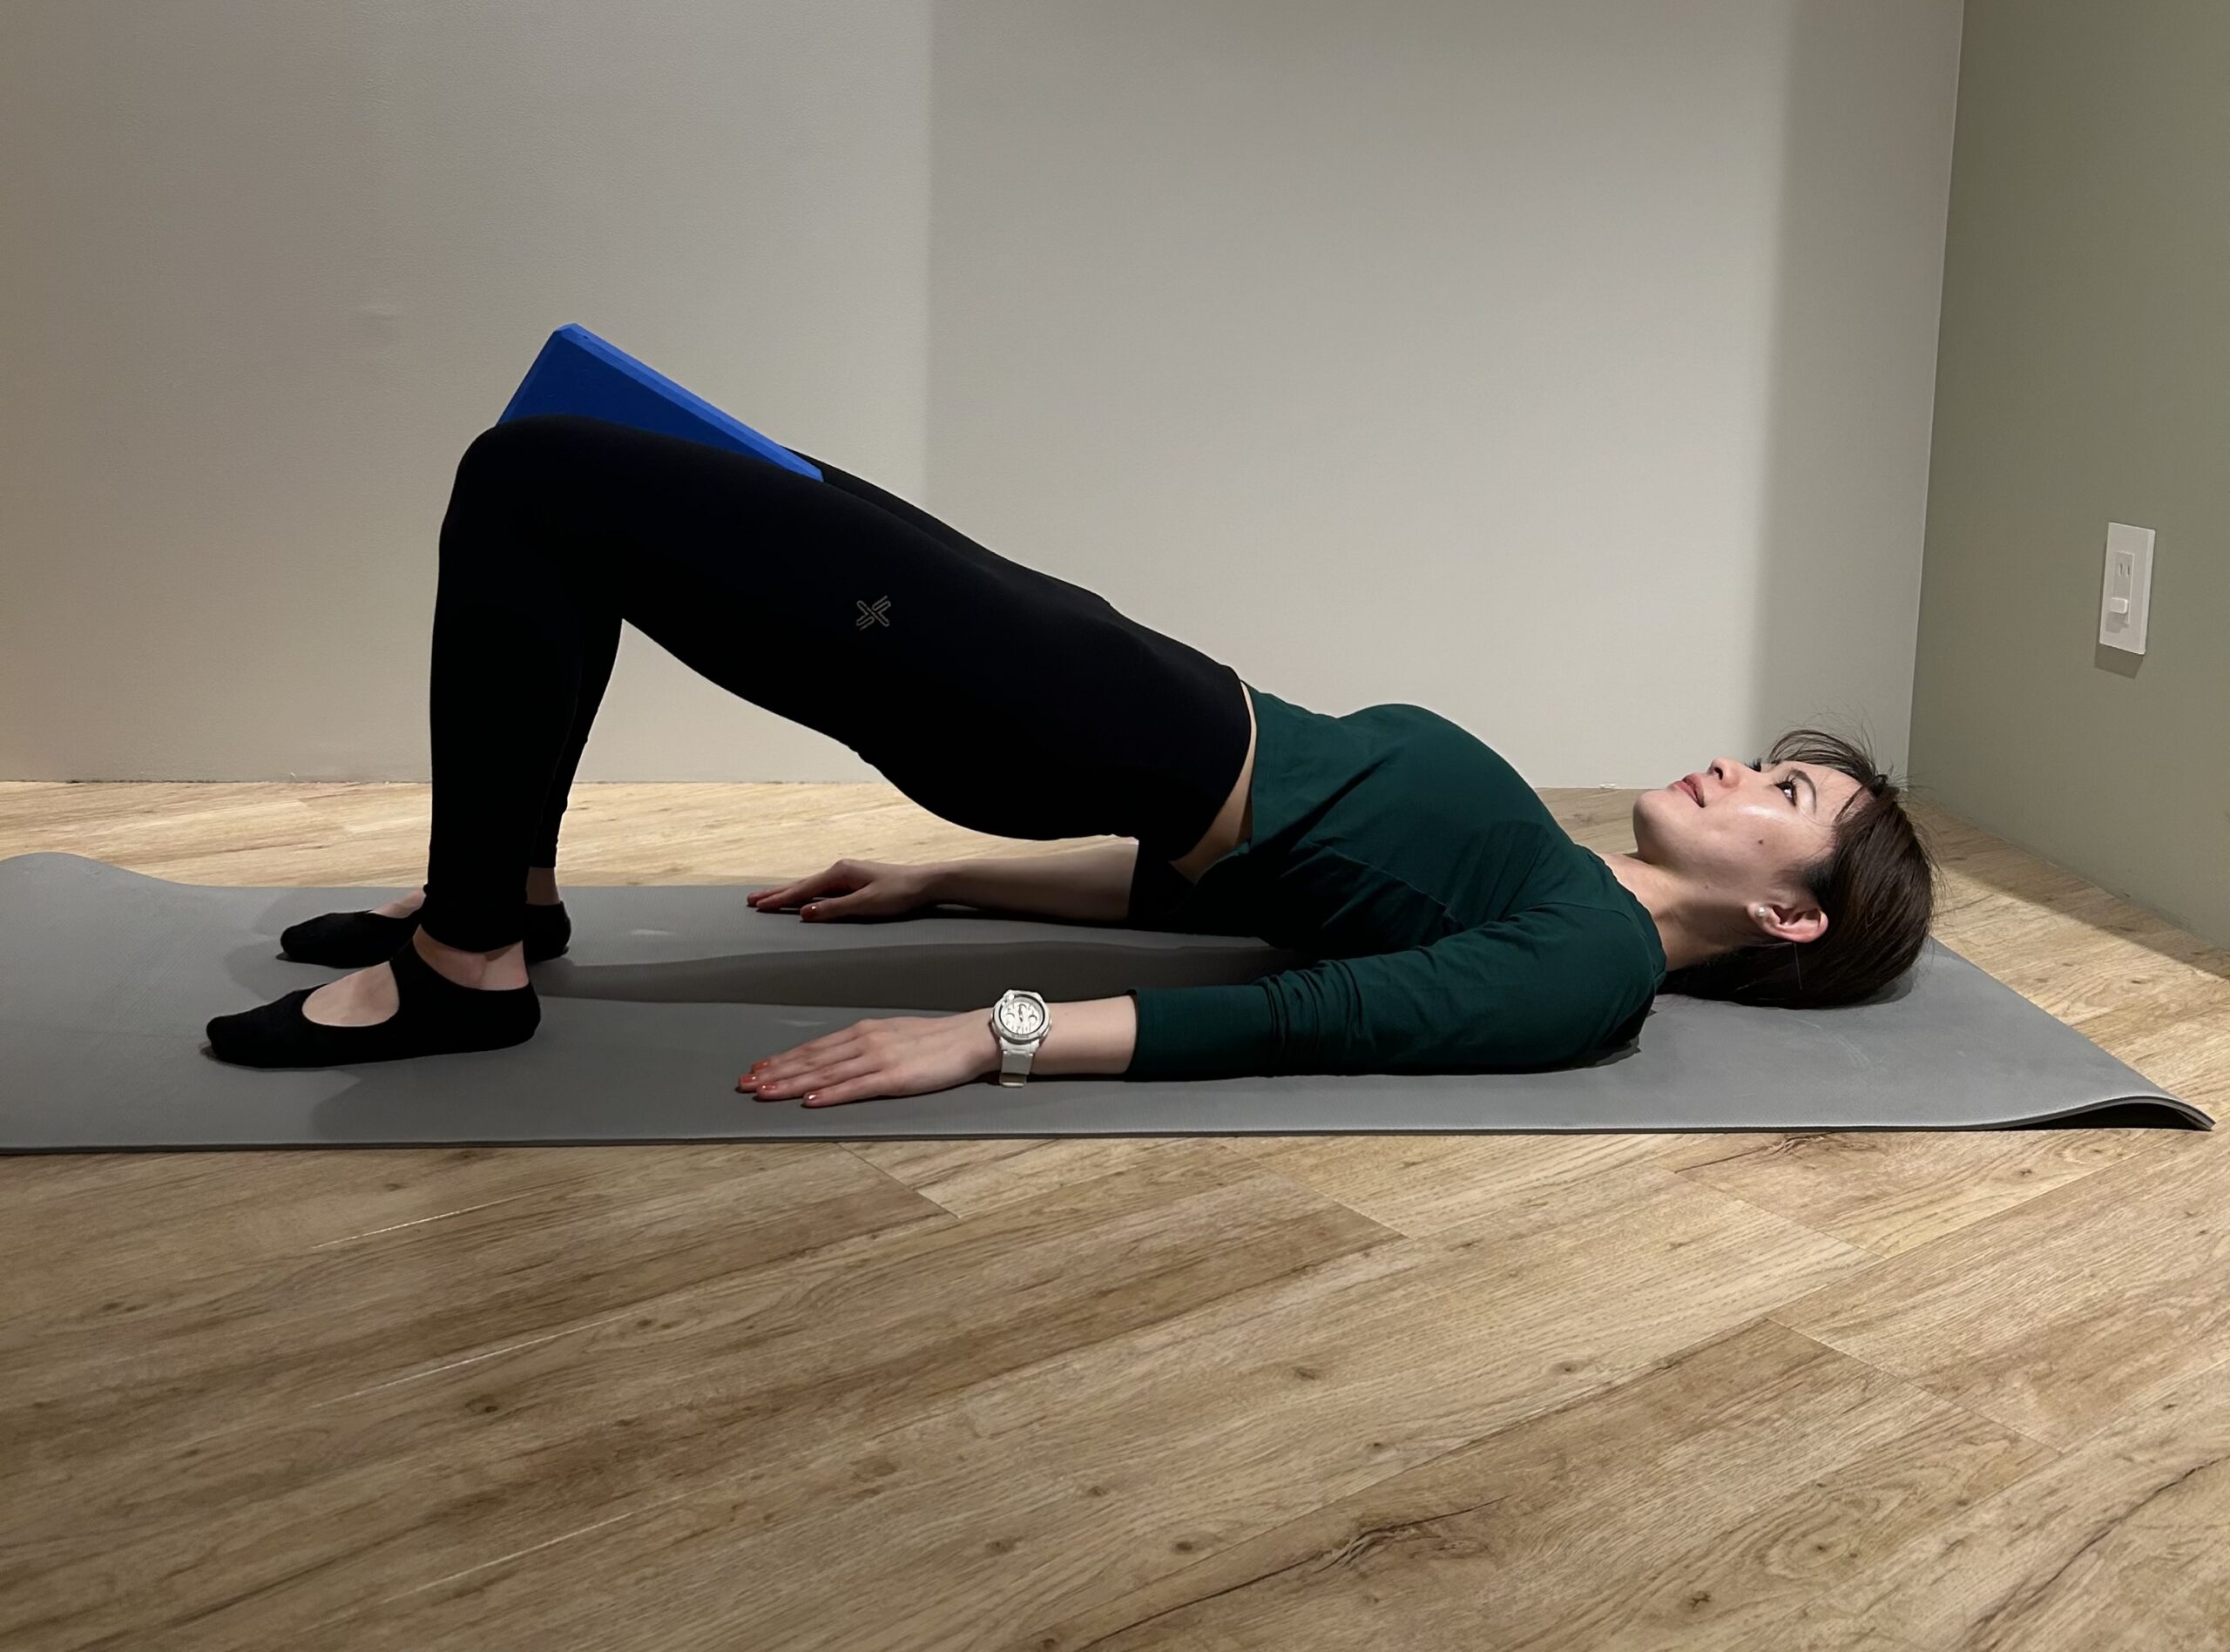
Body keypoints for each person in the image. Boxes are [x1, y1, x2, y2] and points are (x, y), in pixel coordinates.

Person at [204, 415, 1938, 1099]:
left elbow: (1308, 1016)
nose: (1738, 769)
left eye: (1783, 796)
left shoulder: (1586, 965)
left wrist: (990, 1035)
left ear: (1790, 915)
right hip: (1095, 686)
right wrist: (945, 878)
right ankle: (503, 898)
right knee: (600, 472)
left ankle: (467, 963)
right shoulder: (1554, 882)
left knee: (541, 480)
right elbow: (1237, 893)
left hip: (1067, 714)